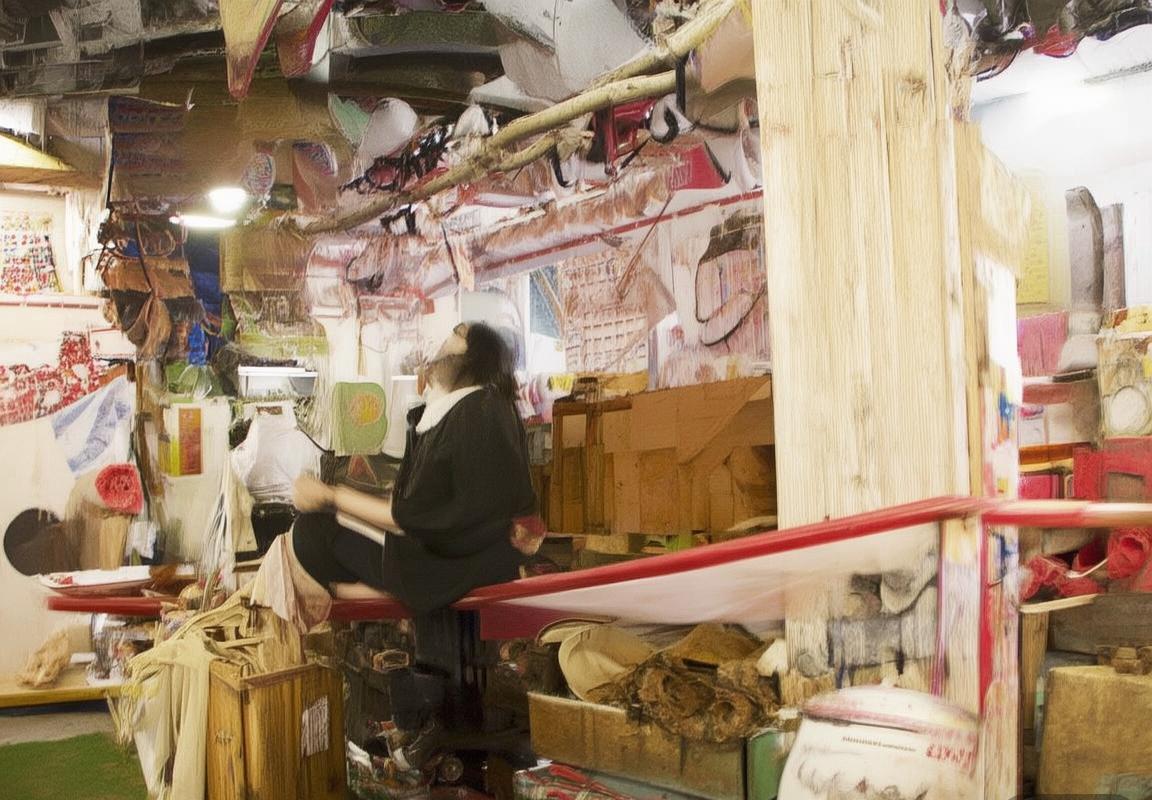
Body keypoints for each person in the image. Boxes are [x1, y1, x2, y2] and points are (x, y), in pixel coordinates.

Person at [290, 321, 539, 615]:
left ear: (474, 357)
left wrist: (331, 496)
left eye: (457, 335)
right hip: (472, 559)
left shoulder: (474, 413)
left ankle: (362, 593)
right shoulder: (480, 408)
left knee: (314, 531)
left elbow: (410, 518)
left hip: (455, 568)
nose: (444, 344)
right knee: (317, 528)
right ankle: (353, 591)